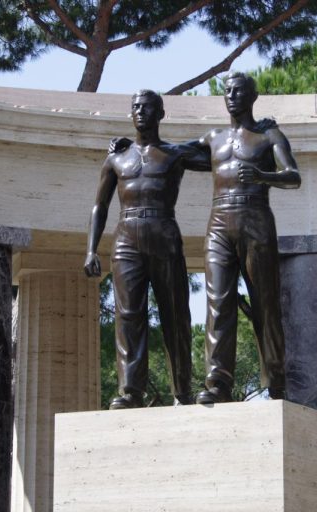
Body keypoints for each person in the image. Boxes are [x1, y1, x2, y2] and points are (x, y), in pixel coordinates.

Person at [84, 90, 207, 409]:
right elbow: (100, 206)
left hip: (164, 235)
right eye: (136, 107)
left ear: (161, 114)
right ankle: (130, 391)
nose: (141, 112)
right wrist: (91, 249)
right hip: (126, 239)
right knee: (128, 317)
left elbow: (217, 156)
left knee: (176, 315)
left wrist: (255, 131)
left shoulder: (175, 153)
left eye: (148, 107)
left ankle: (182, 390)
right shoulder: (116, 158)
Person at [191, 71, 301, 405]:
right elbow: (170, 153)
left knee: (265, 303)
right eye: (227, 91)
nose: (232, 96)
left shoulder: (270, 135)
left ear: (253, 97)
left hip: (256, 219)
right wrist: (128, 147)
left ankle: (276, 379)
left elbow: (293, 176)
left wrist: (262, 175)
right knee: (218, 302)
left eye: (239, 91)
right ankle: (218, 382)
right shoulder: (212, 138)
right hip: (219, 222)